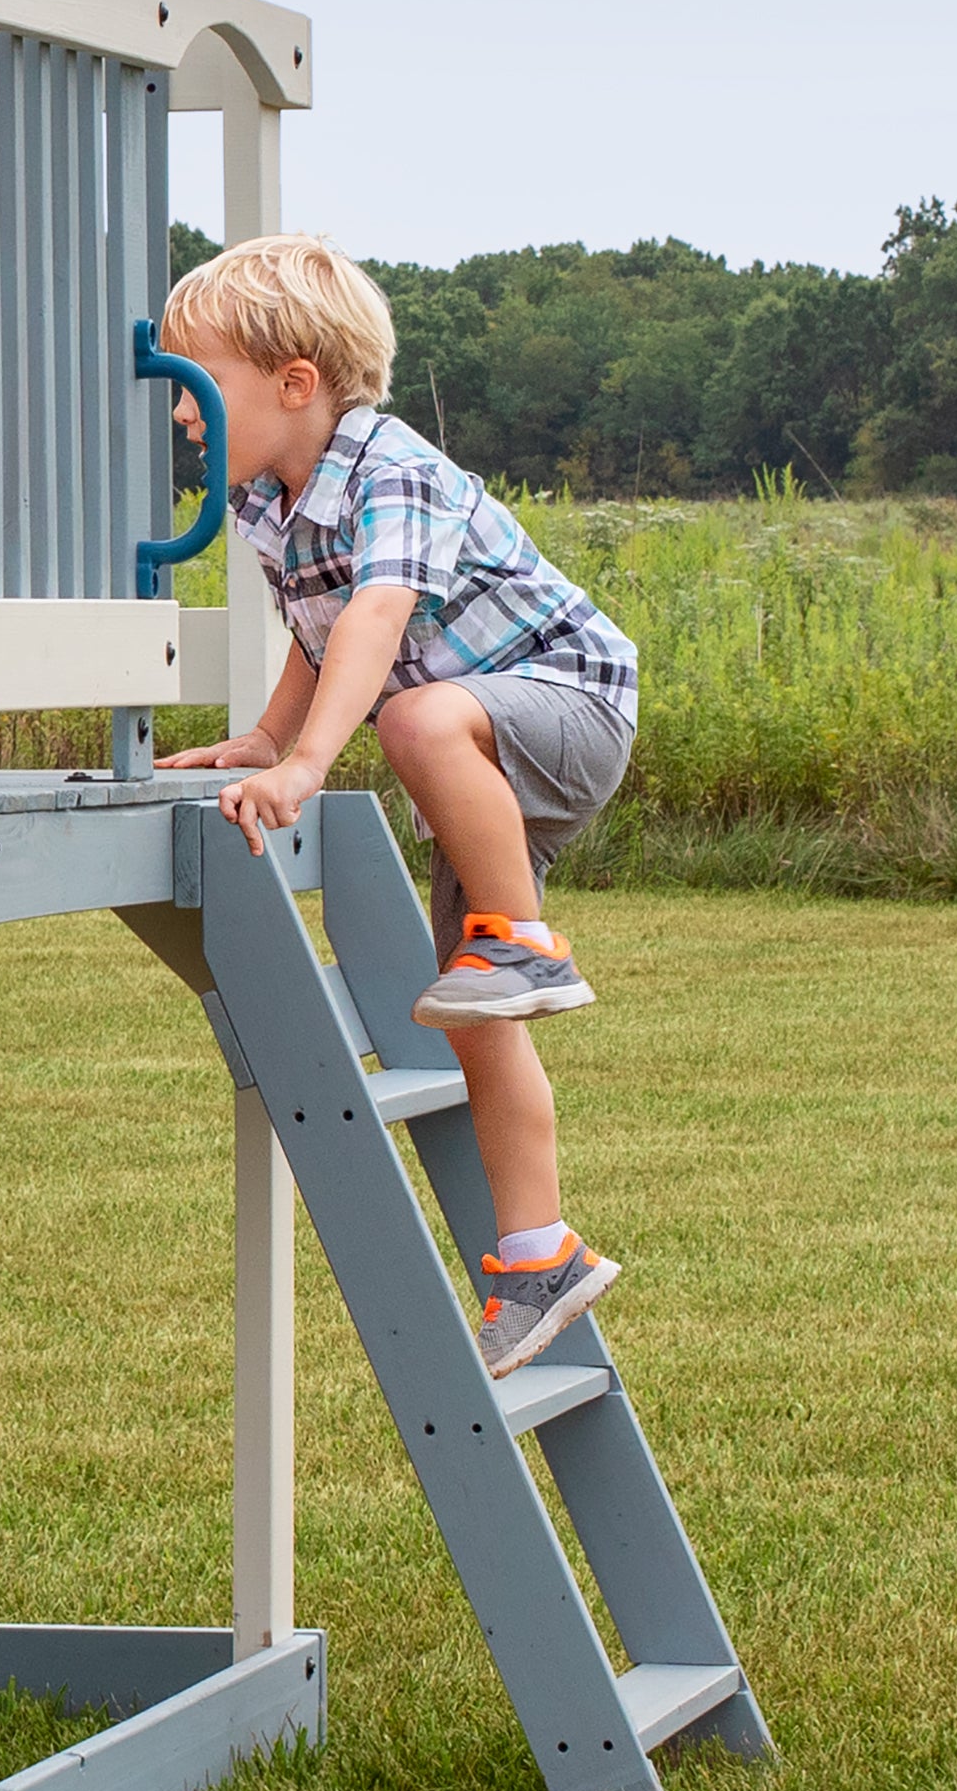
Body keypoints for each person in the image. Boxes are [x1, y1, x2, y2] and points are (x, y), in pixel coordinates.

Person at [157, 235, 640, 1380]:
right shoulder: (266, 503)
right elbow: (314, 630)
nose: (180, 410)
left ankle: (520, 938)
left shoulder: (391, 463)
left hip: (567, 705)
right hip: (468, 741)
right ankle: (538, 1254)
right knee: (468, 1015)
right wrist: (266, 736)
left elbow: (376, 616)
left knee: (416, 720)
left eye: (199, 382)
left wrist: (309, 763)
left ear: (294, 383)